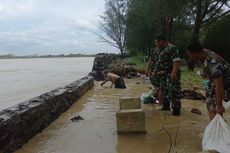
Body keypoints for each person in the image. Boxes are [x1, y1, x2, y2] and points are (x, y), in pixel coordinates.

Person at [187, 41, 230, 120]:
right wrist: (205, 72)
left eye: (191, 55)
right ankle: (216, 125)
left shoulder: (213, 64)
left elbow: (219, 86)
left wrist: (219, 105)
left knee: (214, 108)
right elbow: (204, 64)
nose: (191, 58)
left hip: (225, 83)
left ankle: (217, 128)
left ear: (195, 53)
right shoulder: (203, 53)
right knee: (209, 104)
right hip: (215, 81)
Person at [152, 34, 182, 116]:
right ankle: (166, 106)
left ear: (161, 41)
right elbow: (158, 62)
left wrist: (174, 72)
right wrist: (154, 72)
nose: (156, 44)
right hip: (162, 75)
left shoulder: (171, 48)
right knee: (164, 90)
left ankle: (176, 109)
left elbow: (176, 61)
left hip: (171, 74)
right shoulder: (160, 50)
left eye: (156, 42)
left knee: (174, 91)